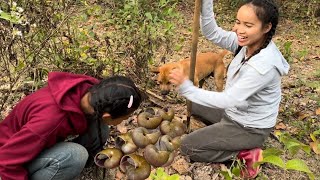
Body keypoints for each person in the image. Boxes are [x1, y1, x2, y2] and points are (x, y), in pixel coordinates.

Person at [169, 0, 289, 178]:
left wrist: (187, 87)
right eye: (238, 22)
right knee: (192, 104)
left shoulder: (264, 66)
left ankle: (244, 155)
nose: (238, 29)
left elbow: (229, 99)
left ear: (266, 28)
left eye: (248, 25)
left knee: (188, 147)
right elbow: (211, 32)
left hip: (249, 127)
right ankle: (222, 134)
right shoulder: (246, 43)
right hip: (233, 112)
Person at [0, 72, 143, 180]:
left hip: (34, 144)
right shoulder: (49, 121)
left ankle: (85, 168)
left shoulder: (90, 93)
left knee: (100, 129)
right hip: (12, 155)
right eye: (126, 117)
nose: (127, 120)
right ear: (107, 116)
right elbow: (6, 160)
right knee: (76, 155)